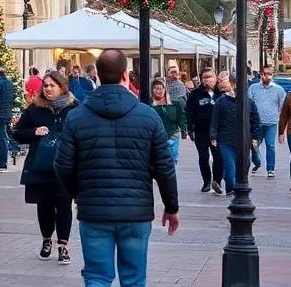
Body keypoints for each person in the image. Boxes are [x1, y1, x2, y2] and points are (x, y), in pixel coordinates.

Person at [55, 48, 179, 287]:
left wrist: (78, 192)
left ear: (98, 76)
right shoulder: (148, 116)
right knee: (133, 278)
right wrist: (171, 206)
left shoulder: (77, 117)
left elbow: (62, 164)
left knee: (97, 276)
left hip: (94, 209)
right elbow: (164, 166)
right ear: (125, 75)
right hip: (136, 210)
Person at [14, 70, 77, 265]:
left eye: (52, 85)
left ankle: (63, 246)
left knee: (64, 205)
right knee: (45, 206)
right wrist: (34, 131)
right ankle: (47, 239)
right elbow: (17, 133)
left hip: (65, 166)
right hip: (41, 166)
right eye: (46, 85)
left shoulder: (74, 108)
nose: (48, 89)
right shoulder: (34, 109)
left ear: (62, 87)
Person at [209, 71, 259, 196]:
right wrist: (213, 136)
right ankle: (231, 187)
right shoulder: (221, 101)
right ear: (231, 83)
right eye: (237, 83)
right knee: (229, 164)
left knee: (244, 164)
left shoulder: (249, 102)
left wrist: (254, 137)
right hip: (225, 139)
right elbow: (215, 119)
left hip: (244, 139)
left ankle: (241, 184)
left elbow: (255, 120)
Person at [185, 67, 225, 194]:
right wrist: (190, 129)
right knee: (203, 157)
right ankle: (206, 180)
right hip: (201, 130)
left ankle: (217, 181)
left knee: (218, 157)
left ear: (215, 77)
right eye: (204, 77)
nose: (207, 80)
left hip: (218, 131)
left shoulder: (221, 94)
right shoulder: (195, 94)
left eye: (210, 76)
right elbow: (189, 111)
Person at [249, 63, 287, 177]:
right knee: (254, 145)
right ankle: (257, 163)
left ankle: (270, 168)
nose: (268, 76)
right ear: (261, 75)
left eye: (270, 74)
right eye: (265, 74)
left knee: (270, 146)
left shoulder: (278, 89)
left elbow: (283, 104)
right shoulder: (253, 88)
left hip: (271, 122)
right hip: (257, 123)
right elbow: (249, 104)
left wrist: (278, 115)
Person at [151, 78, 188, 165]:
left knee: (172, 160)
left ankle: (171, 178)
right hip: (156, 137)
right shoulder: (149, 104)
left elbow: (181, 117)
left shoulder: (174, 103)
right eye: (156, 88)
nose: (159, 91)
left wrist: (184, 130)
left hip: (172, 135)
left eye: (161, 88)